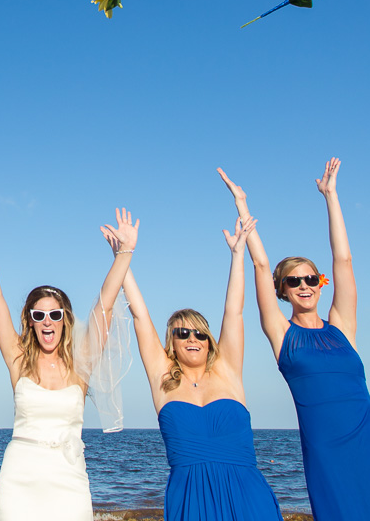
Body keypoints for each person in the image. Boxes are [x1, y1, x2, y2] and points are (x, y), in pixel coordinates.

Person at [219, 160, 370, 521]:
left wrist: (330, 196)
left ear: (320, 283)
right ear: (283, 291)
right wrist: (242, 204)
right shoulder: (281, 333)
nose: (304, 285)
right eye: (293, 281)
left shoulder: (341, 326)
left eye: (310, 278)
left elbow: (344, 260)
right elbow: (260, 265)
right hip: (326, 447)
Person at [0, 201, 136, 521]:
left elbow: (105, 307)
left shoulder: (80, 365)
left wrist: (125, 253)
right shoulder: (19, 361)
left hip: (69, 483)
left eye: (54, 315)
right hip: (19, 483)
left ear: (65, 319)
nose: (47, 322)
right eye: (39, 315)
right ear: (30, 320)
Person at [117, 216, 282, 521]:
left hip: (247, 496)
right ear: (172, 343)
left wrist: (237, 255)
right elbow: (139, 315)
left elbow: (234, 310)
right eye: (182, 333)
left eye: (200, 333)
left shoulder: (227, 371)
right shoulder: (162, 376)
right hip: (191, 497)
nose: (192, 338)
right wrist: (123, 255)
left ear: (209, 340)